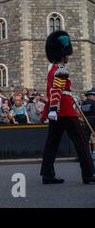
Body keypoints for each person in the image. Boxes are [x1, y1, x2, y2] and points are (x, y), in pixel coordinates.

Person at [40, 31, 95, 184]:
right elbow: (56, 92)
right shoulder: (61, 70)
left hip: (57, 111)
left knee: (52, 142)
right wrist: (53, 109)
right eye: (66, 55)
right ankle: (89, 174)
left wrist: (50, 110)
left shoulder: (53, 69)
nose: (68, 57)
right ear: (63, 55)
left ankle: (47, 174)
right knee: (82, 141)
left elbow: (52, 93)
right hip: (64, 110)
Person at [81, 88, 95, 156]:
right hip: (93, 121)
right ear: (91, 96)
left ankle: (85, 153)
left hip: (86, 122)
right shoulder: (93, 103)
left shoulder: (83, 103)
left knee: (86, 138)